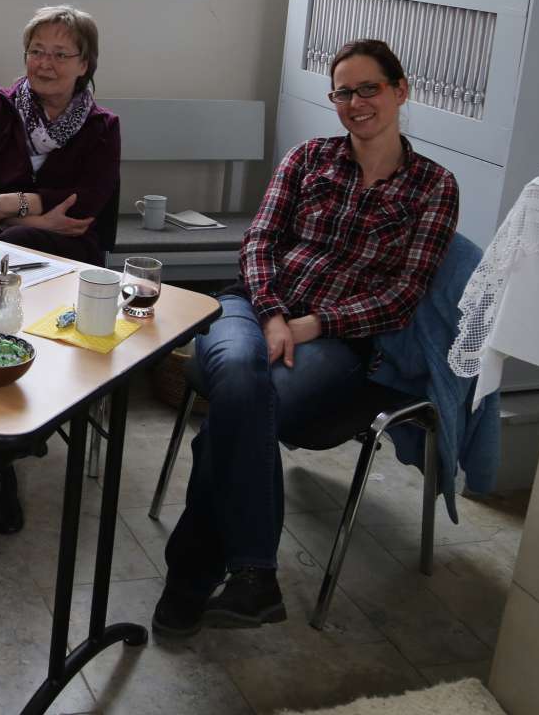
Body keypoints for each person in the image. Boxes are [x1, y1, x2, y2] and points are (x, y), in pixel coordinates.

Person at [152, 38, 459, 639]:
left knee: (237, 415)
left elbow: (403, 294)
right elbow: (259, 242)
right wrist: (271, 315)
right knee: (242, 382)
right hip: (248, 308)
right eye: (343, 91)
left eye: (369, 88)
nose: (355, 102)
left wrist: (312, 325)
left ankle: (195, 580)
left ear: (401, 91)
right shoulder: (308, 158)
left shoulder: (432, 186)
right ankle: (252, 575)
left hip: (338, 343)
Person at [0, 5, 120, 534]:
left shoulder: (102, 127)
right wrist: (34, 208)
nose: (44, 63)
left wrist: (8, 206)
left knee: (1, 279)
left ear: (84, 63)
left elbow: (85, 205)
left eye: (60, 53)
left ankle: (22, 420)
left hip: (72, 257)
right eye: (36, 51)